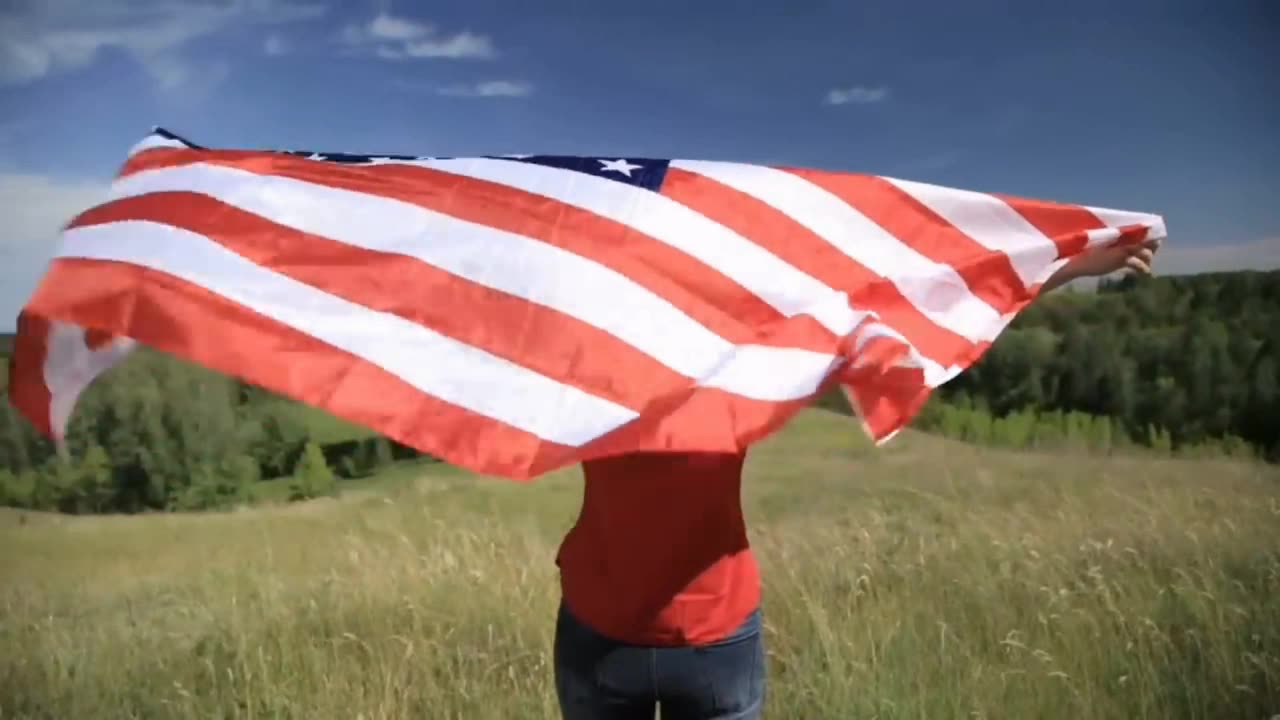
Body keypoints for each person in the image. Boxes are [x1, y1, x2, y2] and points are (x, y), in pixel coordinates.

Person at [551, 236, 1161, 719]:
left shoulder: (588, 372)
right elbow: (927, 298)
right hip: (715, 632)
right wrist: (1068, 265)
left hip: (602, 628)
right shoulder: (741, 364)